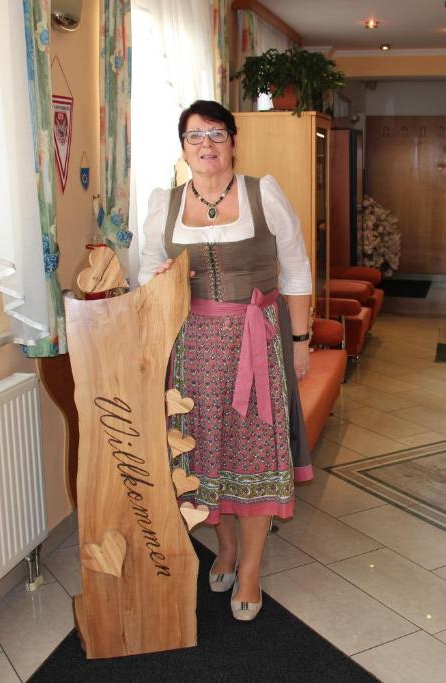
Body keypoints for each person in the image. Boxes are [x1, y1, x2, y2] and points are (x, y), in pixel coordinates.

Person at [138, 100, 313, 621]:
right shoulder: (161, 203)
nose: (207, 144)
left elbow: (298, 270)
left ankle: (253, 568)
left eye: (217, 133)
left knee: (254, 455)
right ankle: (228, 547)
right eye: (195, 136)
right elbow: (146, 274)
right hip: (190, 350)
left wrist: (300, 342)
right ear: (184, 148)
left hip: (257, 340)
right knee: (204, 453)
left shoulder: (264, 193)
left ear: (234, 141)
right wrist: (164, 275)